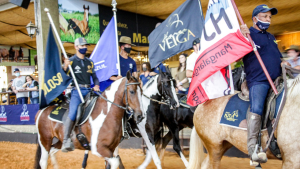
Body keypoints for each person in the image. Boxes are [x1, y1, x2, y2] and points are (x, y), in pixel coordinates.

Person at [240, 4, 288, 163]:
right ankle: (253, 149)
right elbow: (236, 50)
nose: (268, 20)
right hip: (258, 80)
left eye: (270, 17)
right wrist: (240, 36)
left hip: (277, 79)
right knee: (257, 108)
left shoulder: (271, 37)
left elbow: (277, 58)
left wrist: (283, 64)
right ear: (255, 19)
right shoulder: (247, 35)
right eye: (265, 16)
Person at [62, 37, 100, 152]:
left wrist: (97, 85)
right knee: (73, 113)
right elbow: (64, 77)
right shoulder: (71, 61)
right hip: (76, 92)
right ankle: (66, 140)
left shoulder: (90, 62)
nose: (85, 48)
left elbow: (95, 77)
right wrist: (65, 67)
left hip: (89, 90)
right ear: (76, 47)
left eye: (85, 46)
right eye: (82, 46)